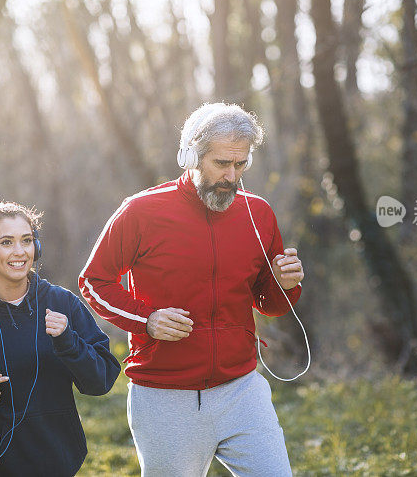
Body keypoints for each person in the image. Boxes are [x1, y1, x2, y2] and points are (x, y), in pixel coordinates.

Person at [79, 103, 305, 476]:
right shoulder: (141, 211)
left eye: (241, 164)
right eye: (221, 164)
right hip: (165, 396)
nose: (231, 176)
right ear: (189, 156)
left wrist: (284, 284)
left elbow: (270, 304)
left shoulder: (258, 213)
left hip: (242, 389)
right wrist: (146, 319)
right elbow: (93, 281)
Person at [0, 201, 121, 477]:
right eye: (6, 242)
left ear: (37, 246)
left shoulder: (63, 303)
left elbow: (101, 381)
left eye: (27, 240)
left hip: (55, 465)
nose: (20, 252)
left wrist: (69, 342)